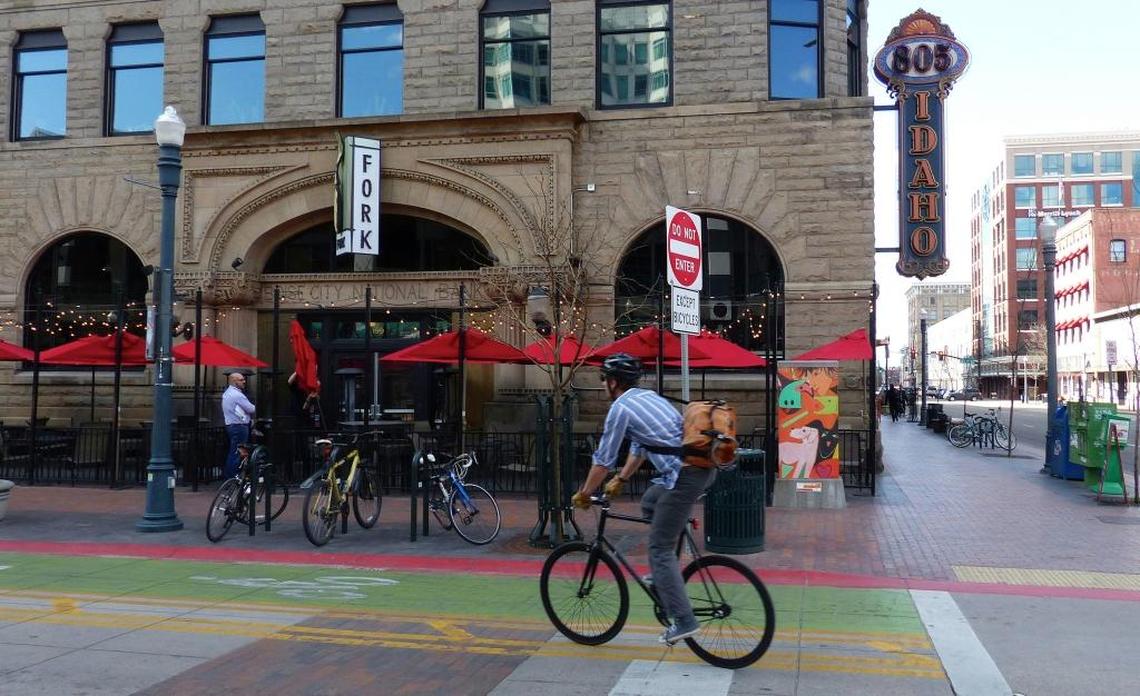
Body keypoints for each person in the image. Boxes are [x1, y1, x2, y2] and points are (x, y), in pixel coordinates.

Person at [571, 353, 713, 646]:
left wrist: (585, 493)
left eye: (604, 382)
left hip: (684, 477)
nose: (603, 387)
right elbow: (640, 446)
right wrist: (621, 479)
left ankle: (684, 620)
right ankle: (666, 579)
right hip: (696, 469)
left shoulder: (620, 408)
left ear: (613, 383)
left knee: (659, 548)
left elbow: (602, 460)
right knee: (649, 501)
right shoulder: (648, 397)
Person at [221, 372, 256, 479]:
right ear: (234, 381)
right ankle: (233, 477)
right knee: (238, 452)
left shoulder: (227, 393)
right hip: (239, 426)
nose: (244, 381)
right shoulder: (237, 395)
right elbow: (251, 409)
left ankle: (231, 477)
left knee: (234, 452)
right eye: (241, 380)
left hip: (232, 426)